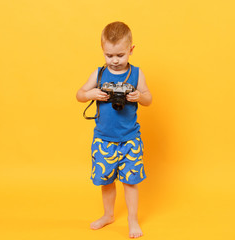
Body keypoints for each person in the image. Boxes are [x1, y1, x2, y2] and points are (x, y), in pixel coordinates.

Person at [76, 21, 152, 238]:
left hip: (130, 139)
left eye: (120, 55)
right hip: (103, 139)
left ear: (131, 50)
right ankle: (108, 214)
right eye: (109, 55)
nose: (115, 60)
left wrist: (140, 96)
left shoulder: (137, 74)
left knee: (130, 181)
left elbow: (149, 99)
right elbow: (80, 94)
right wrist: (90, 94)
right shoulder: (98, 74)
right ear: (103, 50)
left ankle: (132, 220)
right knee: (106, 181)